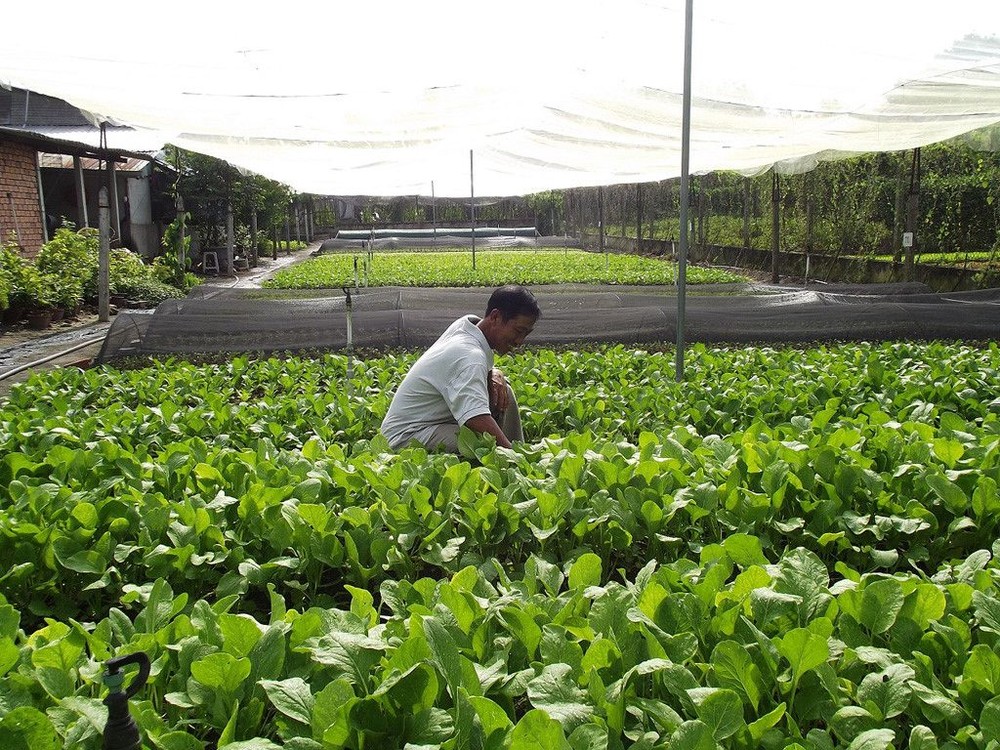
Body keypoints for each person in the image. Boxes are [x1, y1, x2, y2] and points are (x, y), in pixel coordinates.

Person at [380, 285, 540, 451]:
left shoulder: (467, 326)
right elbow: (476, 418)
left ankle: (518, 448)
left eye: (526, 334)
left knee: (503, 391)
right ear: (495, 317)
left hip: (430, 424)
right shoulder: (469, 355)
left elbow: (469, 361)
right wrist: (512, 456)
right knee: (481, 445)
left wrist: (492, 371)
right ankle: (517, 460)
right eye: (518, 331)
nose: (519, 341)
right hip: (405, 436)